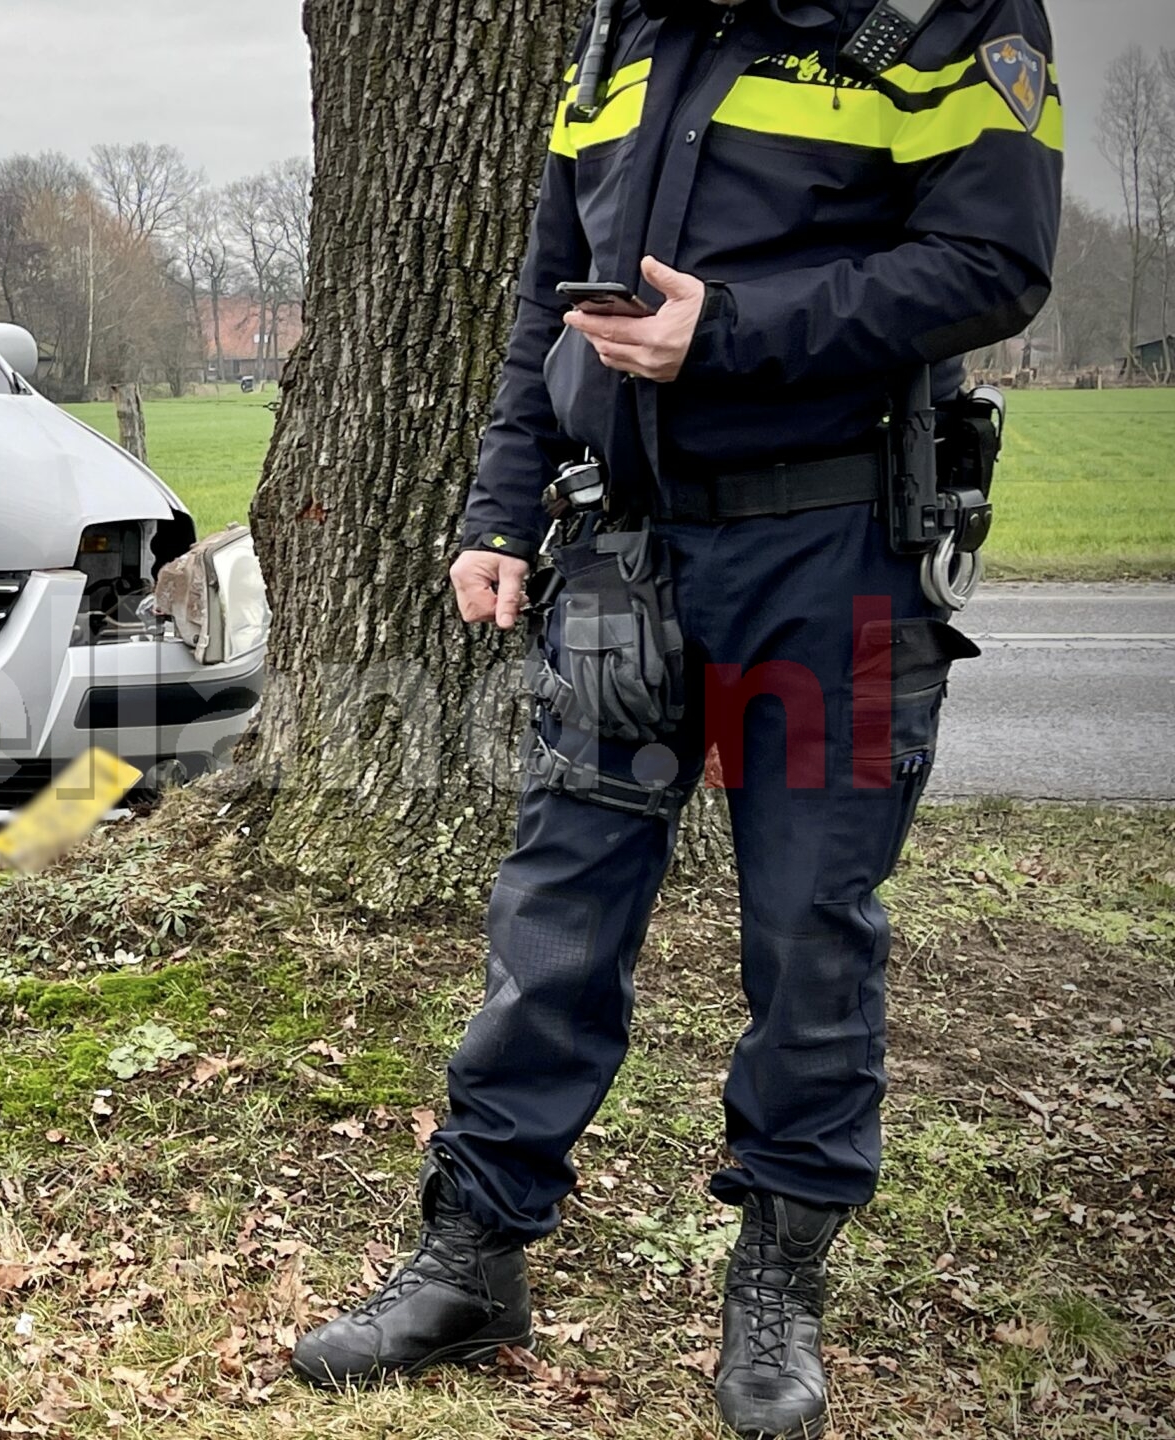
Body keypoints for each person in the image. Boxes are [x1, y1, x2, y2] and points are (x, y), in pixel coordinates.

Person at [291, 1, 1062, 1437]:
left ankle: (778, 1286)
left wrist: (736, 330)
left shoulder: (944, 19)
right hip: (619, 552)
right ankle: (473, 1258)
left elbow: (995, 262)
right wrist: (498, 510)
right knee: (556, 912)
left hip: (839, 561)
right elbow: (548, 302)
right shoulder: (624, 30)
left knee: (809, 926)